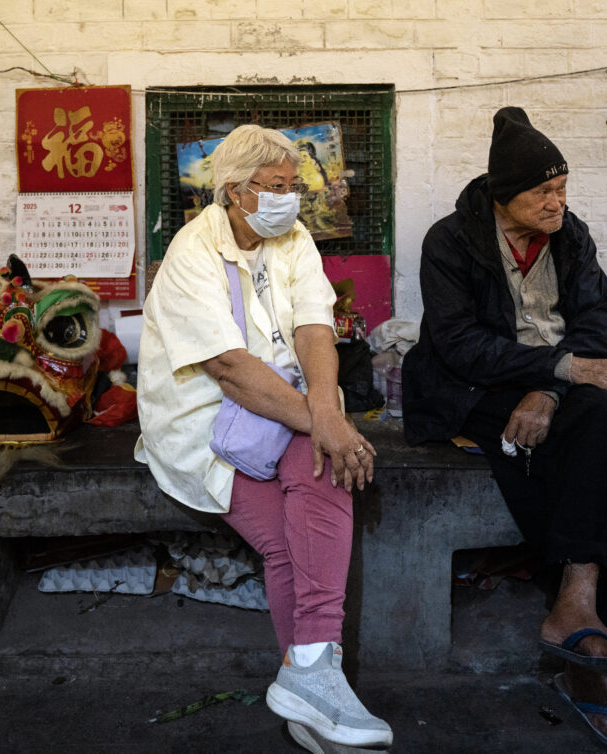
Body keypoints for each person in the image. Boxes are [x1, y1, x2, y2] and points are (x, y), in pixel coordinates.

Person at [402, 107, 607, 753]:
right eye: (544, 191)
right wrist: (557, 367)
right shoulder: (451, 240)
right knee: (585, 450)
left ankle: (577, 605)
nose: (557, 202)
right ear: (504, 196)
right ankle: (584, 648)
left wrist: (550, 384)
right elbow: (459, 344)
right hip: (470, 386)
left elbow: (596, 318)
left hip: (554, 380)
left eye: (563, 188)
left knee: (596, 424)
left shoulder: (571, 236)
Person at [135, 124, 393, 750]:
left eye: (292, 186)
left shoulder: (293, 238)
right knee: (286, 543)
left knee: (323, 463)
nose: (289, 199)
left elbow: (314, 329)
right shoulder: (193, 253)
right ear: (234, 191)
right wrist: (325, 421)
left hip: (281, 406)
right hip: (204, 420)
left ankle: (308, 678)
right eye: (274, 187)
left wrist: (326, 410)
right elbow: (228, 368)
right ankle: (311, 687)